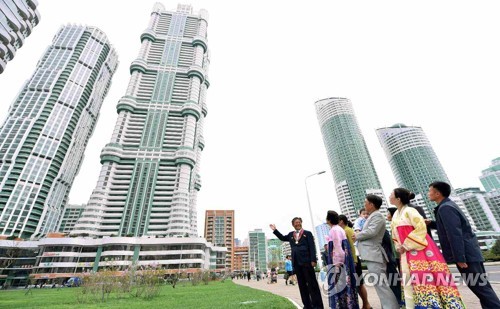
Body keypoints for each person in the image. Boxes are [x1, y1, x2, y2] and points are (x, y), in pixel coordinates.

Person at [427, 181, 500, 309]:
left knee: (481, 289)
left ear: (437, 193)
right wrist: (432, 223)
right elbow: (448, 227)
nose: (428, 193)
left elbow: (455, 234)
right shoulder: (447, 206)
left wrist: (460, 258)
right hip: (470, 253)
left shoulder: (446, 208)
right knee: (483, 288)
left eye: (430, 191)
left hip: (466, 255)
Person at [390, 187, 465, 309]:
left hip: (420, 250)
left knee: (424, 278)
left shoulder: (410, 211)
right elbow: (395, 235)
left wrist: (405, 245)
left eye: (391, 194)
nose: (389, 196)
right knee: (409, 279)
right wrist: (398, 246)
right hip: (405, 252)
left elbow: (421, 228)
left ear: (398, 199)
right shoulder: (395, 216)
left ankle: (432, 304)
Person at [353, 194, 399, 309]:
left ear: (371, 205)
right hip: (372, 255)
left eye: (365, 202)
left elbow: (372, 231)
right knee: (380, 286)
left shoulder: (377, 216)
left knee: (382, 286)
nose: (364, 205)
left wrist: (358, 235)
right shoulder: (372, 216)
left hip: (375, 255)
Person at [270, 217, 324, 309]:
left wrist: (313, 260)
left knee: (312, 285)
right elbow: (282, 237)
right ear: (293, 225)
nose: (297, 224)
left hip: (307, 262)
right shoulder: (291, 234)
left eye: (299, 222)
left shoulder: (307, 233)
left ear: (301, 223)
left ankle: (317, 306)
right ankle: (307, 305)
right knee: (302, 286)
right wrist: (275, 230)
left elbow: (312, 247)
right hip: (296, 264)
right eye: (295, 223)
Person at [325, 211, 359, 309]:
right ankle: (348, 304)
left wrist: (337, 263)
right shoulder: (339, 229)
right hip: (344, 260)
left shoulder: (334, 230)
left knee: (340, 284)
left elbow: (338, 247)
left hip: (339, 262)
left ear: (329, 220)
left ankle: (342, 305)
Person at [339, 215, 371, 309]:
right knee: (358, 284)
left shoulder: (347, 230)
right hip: (354, 259)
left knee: (359, 284)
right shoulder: (346, 230)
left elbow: (352, 246)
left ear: (341, 221)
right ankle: (366, 304)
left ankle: (366, 304)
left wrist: (354, 260)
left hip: (354, 260)